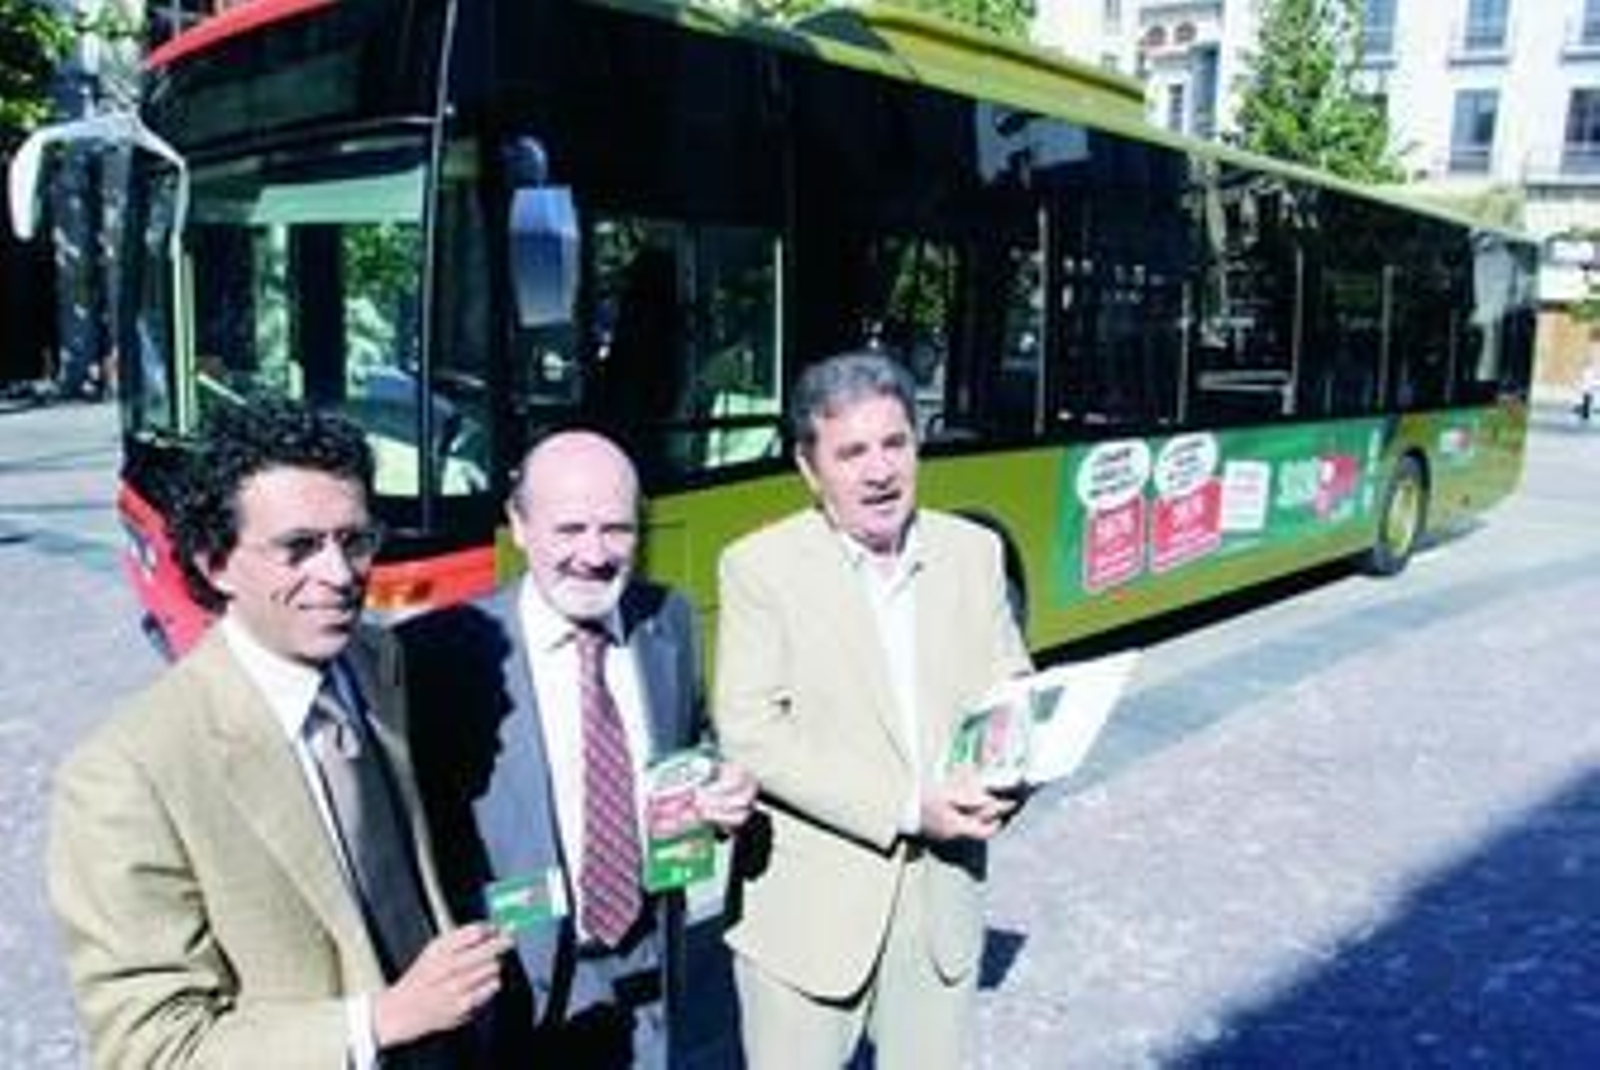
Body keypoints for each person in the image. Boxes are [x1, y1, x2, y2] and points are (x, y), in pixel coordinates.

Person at [47, 398, 511, 1069]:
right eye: (298, 548)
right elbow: (153, 1048)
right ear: (215, 563)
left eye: (354, 541)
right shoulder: (123, 777)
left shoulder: (377, 661)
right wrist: (378, 1021)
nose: (340, 575)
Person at [712, 350, 1032, 1069]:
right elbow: (752, 732)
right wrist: (906, 805)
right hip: (808, 923)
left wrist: (1011, 775)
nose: (880, 471)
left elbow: (1011, 687)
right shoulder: (759, 568)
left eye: (895, 443)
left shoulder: (974, 553)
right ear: (809, 467)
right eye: (852, 452)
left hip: (941, 910)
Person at [399, 429, 756, 1067]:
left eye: (616, 530)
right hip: (515, 993)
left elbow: (690, 742)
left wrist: (720, 786)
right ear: (518, 523)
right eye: (569, 530)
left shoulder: (667, 619)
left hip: (648, 968)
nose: (594, 555)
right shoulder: (446, 650)